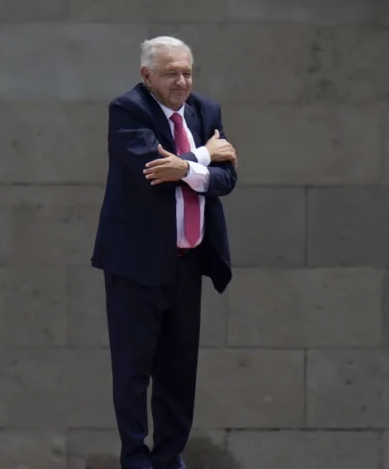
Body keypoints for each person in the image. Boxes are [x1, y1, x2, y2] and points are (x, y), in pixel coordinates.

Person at [90, 36, 238, 469]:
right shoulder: (128, 110)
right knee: (134, 370)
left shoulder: (206, 111)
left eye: (187, 72)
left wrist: (189, 165)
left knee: (178, 371)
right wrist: (204, 157)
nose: (181, 81)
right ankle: (136, 459)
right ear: (147, 76)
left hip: (187, 262)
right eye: (171, 73)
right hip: (135, 265)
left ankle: (170, 457)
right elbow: (151, 172)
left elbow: (227, 179)